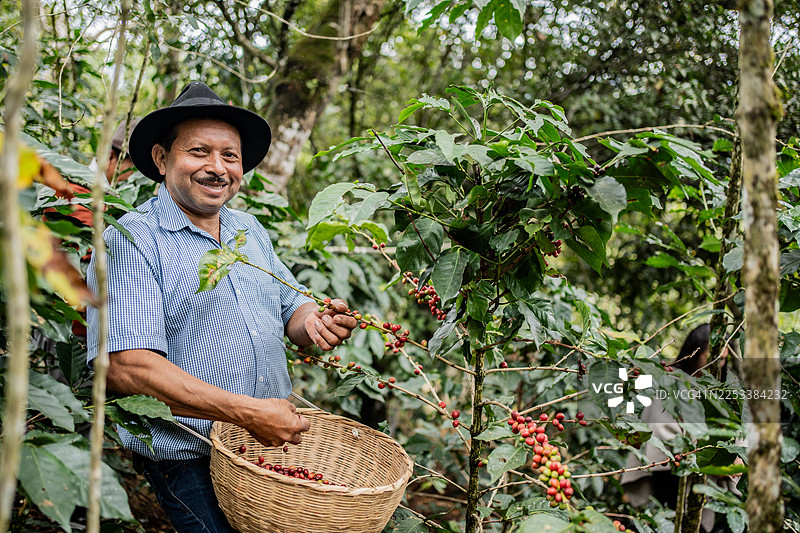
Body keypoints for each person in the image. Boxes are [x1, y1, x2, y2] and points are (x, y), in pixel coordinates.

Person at [86, 81, 358, 533]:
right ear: (161, 158)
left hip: (261, 448)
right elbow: (127, 367)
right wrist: (249, 413)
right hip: (189, 457)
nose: (217, 168)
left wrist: (317, 322)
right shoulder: (131, 239)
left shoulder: (248, 228)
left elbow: (291, 304)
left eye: (229, 156)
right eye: (198, 152)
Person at [621, 323, 737, 532]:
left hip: (707, 479)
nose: (718, 362)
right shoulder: (671, 379)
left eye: (723, 358)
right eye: (712, 355)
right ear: (696, 351)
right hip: (670, 472)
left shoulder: (724, 388)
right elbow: (660, 431)